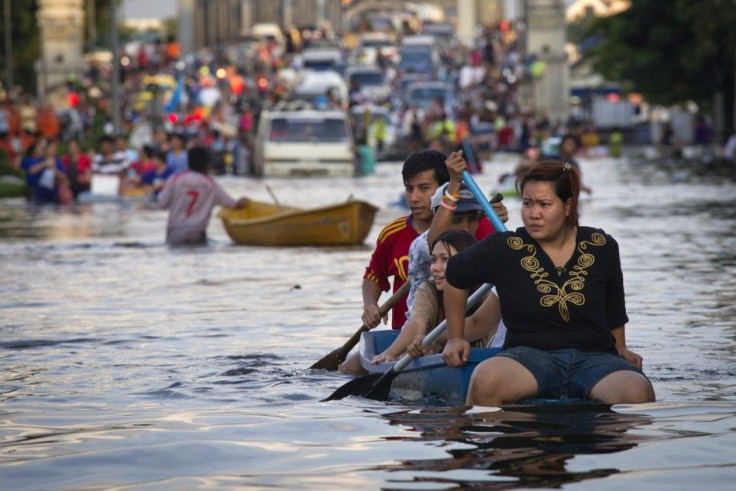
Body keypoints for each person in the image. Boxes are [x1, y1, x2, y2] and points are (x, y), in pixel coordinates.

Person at [441, 160, 656, 406]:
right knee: (485, 379)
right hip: (527, 358)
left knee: (638, 391)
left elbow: (614, 306)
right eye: (527, 204)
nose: (534, 214)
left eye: (544, 205)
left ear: (567, 206)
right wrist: (455, 338)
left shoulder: (602, 245)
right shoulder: (505, 247)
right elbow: (455, 275)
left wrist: (621, 347)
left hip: (595, 359)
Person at [371, 230, 503, 364]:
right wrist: (389, 353)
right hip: (437, 356)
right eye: (433, 260)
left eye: (445, 259)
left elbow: (477, 324)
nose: (435, 268)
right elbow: (417, 323)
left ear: (468, 262)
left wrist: (432, 338)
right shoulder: (428, 289)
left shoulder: (487, 289)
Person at [158, 146, 249, 246]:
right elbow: (233, 204)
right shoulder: (211, 184)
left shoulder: (174, 180)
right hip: (197, 233)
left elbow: (162, 204)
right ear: (207, 163)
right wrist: (245, 202)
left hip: (175, 231)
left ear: (188, 162)